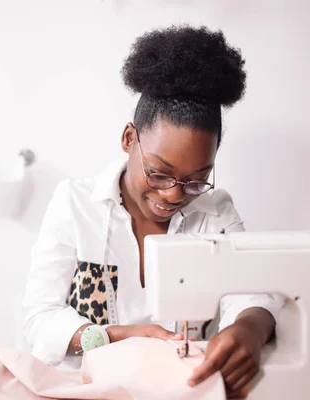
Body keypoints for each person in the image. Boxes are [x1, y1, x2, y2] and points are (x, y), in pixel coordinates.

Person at [22, 25, 284, 398]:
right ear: (130, 139)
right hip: (81, 388)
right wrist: (115, 336)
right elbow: (39, 317)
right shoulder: (76, 205)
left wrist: (251, 328)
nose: (175, 194)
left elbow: (253, 294)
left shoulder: (215, 212)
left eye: (196, 180)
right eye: (159, 173)